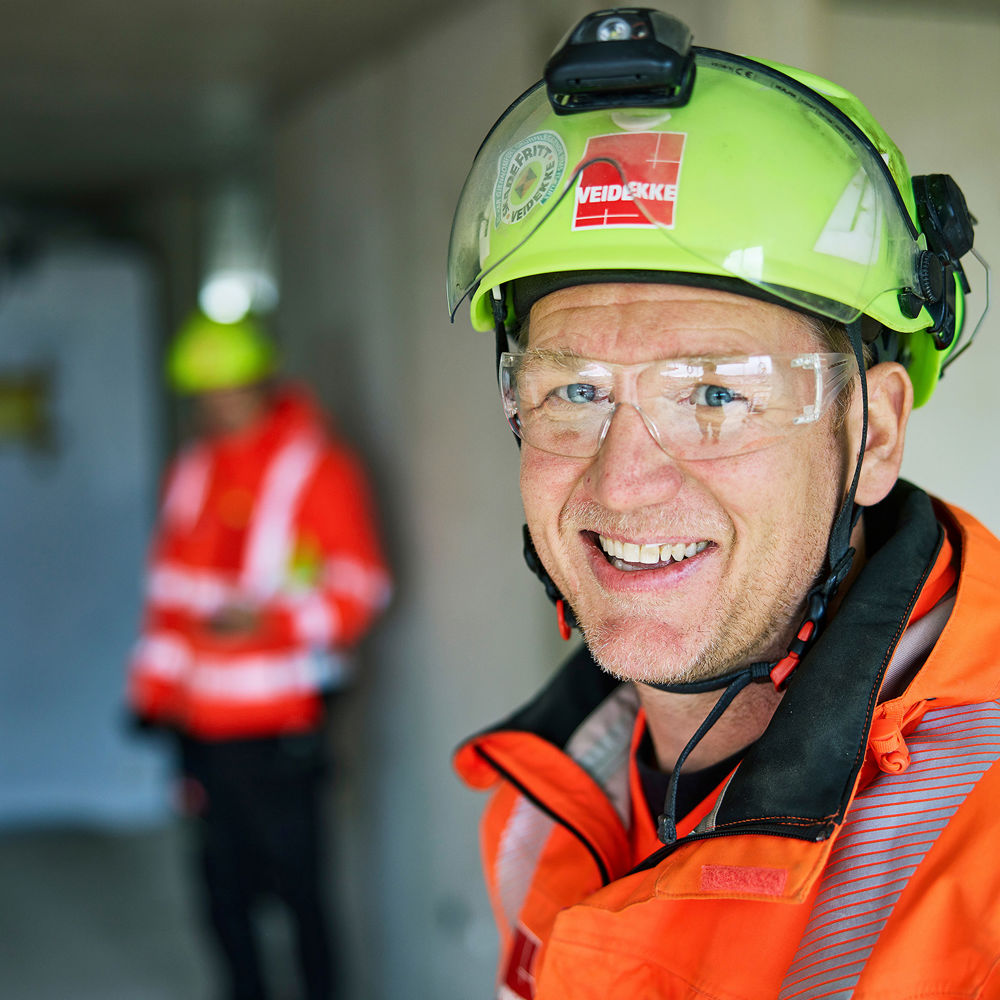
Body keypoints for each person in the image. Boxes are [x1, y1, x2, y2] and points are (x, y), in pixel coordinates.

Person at [447, 8, 997, 998]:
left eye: (714, 395)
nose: (621, 485)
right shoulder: (547, 795)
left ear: (873, 432)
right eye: (574, 392)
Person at [127, 311, 391, 1000]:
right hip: (200, 725)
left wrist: (264, 624)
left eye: (233, 391)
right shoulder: (192, 472)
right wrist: (152, 695)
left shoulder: (319, 470)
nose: (220, 408)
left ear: (263, 384)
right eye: (207, 396)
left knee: (301, 891)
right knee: (221, 891)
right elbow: (169, 596)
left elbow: (360, 590)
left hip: (283, 722)